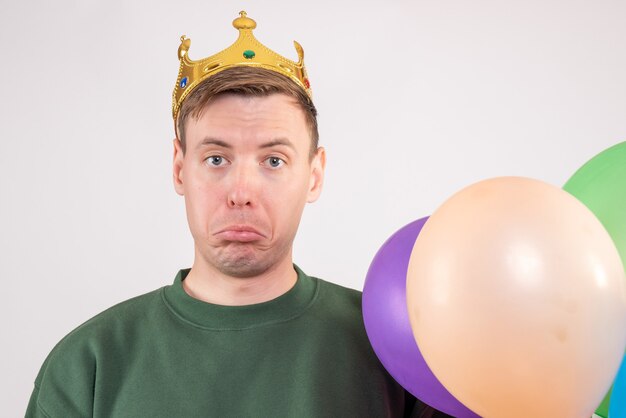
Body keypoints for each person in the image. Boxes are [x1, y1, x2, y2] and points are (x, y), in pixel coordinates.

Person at [26, 11, 450, 417]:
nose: (241, 192)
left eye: (274, 161)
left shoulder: (392, 347)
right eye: (216, 159)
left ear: (315, 174)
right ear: (179, 168)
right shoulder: (88, 365)